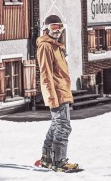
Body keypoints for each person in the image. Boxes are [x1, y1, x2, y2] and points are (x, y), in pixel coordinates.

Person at [36, 15, 79, 172]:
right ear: (46, 29)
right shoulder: (46, 47)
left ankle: (47, 157)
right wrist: (51, 97)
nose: (58, 31)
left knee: (57, 125)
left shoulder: (56, 46)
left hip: (62, 91)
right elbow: (45, 75)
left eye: (60, 27)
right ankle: (59, 161)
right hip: (56, 93)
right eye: (54, 28)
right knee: (63, 126)